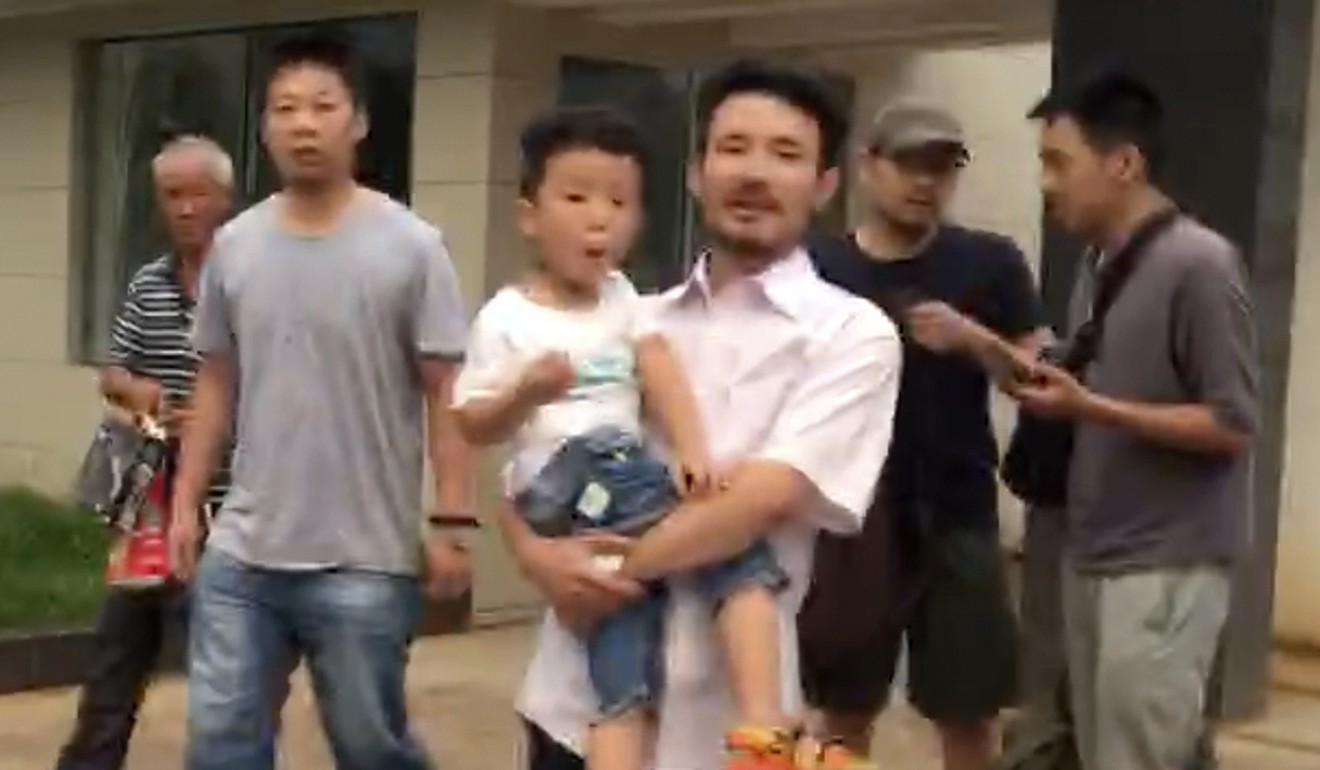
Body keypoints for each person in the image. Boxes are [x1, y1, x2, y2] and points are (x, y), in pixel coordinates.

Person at [504, 59, 903, 770]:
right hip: (575, 706)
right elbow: (530, 465)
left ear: (824, 185)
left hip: (728, 730)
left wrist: (611, 564)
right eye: (733, 148)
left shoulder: (852, 334)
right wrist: (538, 559)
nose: (754, 172)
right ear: (696, 172)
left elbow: (758, 502)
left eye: (786, 154)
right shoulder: (632, 321)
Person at [454, 105, 798, 770]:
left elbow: (660, 370)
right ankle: (766, 728)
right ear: (530, 215)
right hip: (571, 474)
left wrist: (693, 447)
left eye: (619, 201)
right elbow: (470, 421)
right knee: (736, 549)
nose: (599, 217)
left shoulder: (621, 297)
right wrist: (525, 392)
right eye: (577, 196)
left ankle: (708, 733)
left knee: (622, 660)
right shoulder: (507, 317)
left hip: (602, 498)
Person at [169, 32, 475, 770]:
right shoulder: (235, 246)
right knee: (219, 743)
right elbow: (215, 382)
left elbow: (447, 393)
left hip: (363, 559)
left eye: (322, 106)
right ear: (266, 126)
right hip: (244, 553)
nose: (303, 124)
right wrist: (183, 507)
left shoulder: (412, 247)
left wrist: (454, 520)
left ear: (358, 121)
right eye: (285, 108)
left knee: (371, 746)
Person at [1008, 71, 1258, 770]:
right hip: (1095, 554)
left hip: (1164, 567)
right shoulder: (1101, 262)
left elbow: (1232, 423)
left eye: (1059, 162)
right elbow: (1091, 379)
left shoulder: (1199, 263)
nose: (1047, 183)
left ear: (1123, 163)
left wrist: (1090, 408)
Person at [799, 99, 1047, 770]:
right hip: (849, 518)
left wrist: (976, 340)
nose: (924, 182)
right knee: (843, 712)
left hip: (957, 512)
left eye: (942, 167)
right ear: (867, 166)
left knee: (969, 713)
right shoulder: (818, 267)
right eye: (908, 163)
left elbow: (1041, 380)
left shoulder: (989, 262)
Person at [54, 135, 234, 770]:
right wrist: (144, 392)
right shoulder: (148, 282)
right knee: (116, 651)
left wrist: (214, 416)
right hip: (150, 503)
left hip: (228, 506)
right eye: (172, 196)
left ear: (225, 198)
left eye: (198, 194)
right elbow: (112, 373)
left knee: (220, 668)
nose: (185, 208)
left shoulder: (249, 278)